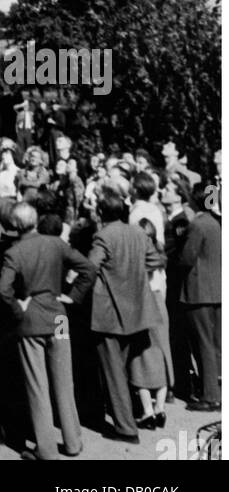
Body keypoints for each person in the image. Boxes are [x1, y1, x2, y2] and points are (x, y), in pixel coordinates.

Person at [0, 201, 95, 461]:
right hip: (58, 316)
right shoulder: (56, 243)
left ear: (14, 225)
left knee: (37, 386)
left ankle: (47, 449)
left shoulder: (14, 253)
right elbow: (88, 268)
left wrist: (19, 310)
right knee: (64, 379)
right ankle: (73, 441)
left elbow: (3, 290)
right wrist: (73, 297)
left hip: (31, 319)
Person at [88, 187, 164, 443]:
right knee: (124, 365)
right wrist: (134, 272)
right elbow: (155, 259)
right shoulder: (137, 233)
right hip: (137, 310)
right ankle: (130, 415)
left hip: (109, 313)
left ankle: (125, 426)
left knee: (113, 371)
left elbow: (90, 268)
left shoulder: (102, 236)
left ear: (100, 212)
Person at [178, 181, 221, 412]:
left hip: (199, 291)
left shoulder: (198, 225)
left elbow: (186, 258)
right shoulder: (217, 223)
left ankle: (209, 396)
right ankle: (216, 390)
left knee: (203, 344)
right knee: (215, 344)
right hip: (217, 290)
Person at [128, 218, 173, 430]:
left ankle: (147, 411)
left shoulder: (138, 262)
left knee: (141, 359)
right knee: (162, 357)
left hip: (145, 305)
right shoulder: (160, 258)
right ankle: (160, 408)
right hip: (161, 307)